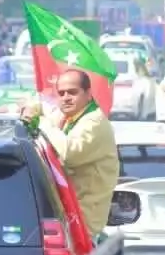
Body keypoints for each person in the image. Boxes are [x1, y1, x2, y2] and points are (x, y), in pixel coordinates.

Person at [20, 68, 119, 238]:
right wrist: (34, 107)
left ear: (88, 94)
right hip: (67, 219)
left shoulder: (94, 121)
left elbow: (69, 153)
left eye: (72, 92)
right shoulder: (70, 116)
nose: (66, 97)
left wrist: (41, 121)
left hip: (83, 226)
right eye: (61, 93)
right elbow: (48, 110)